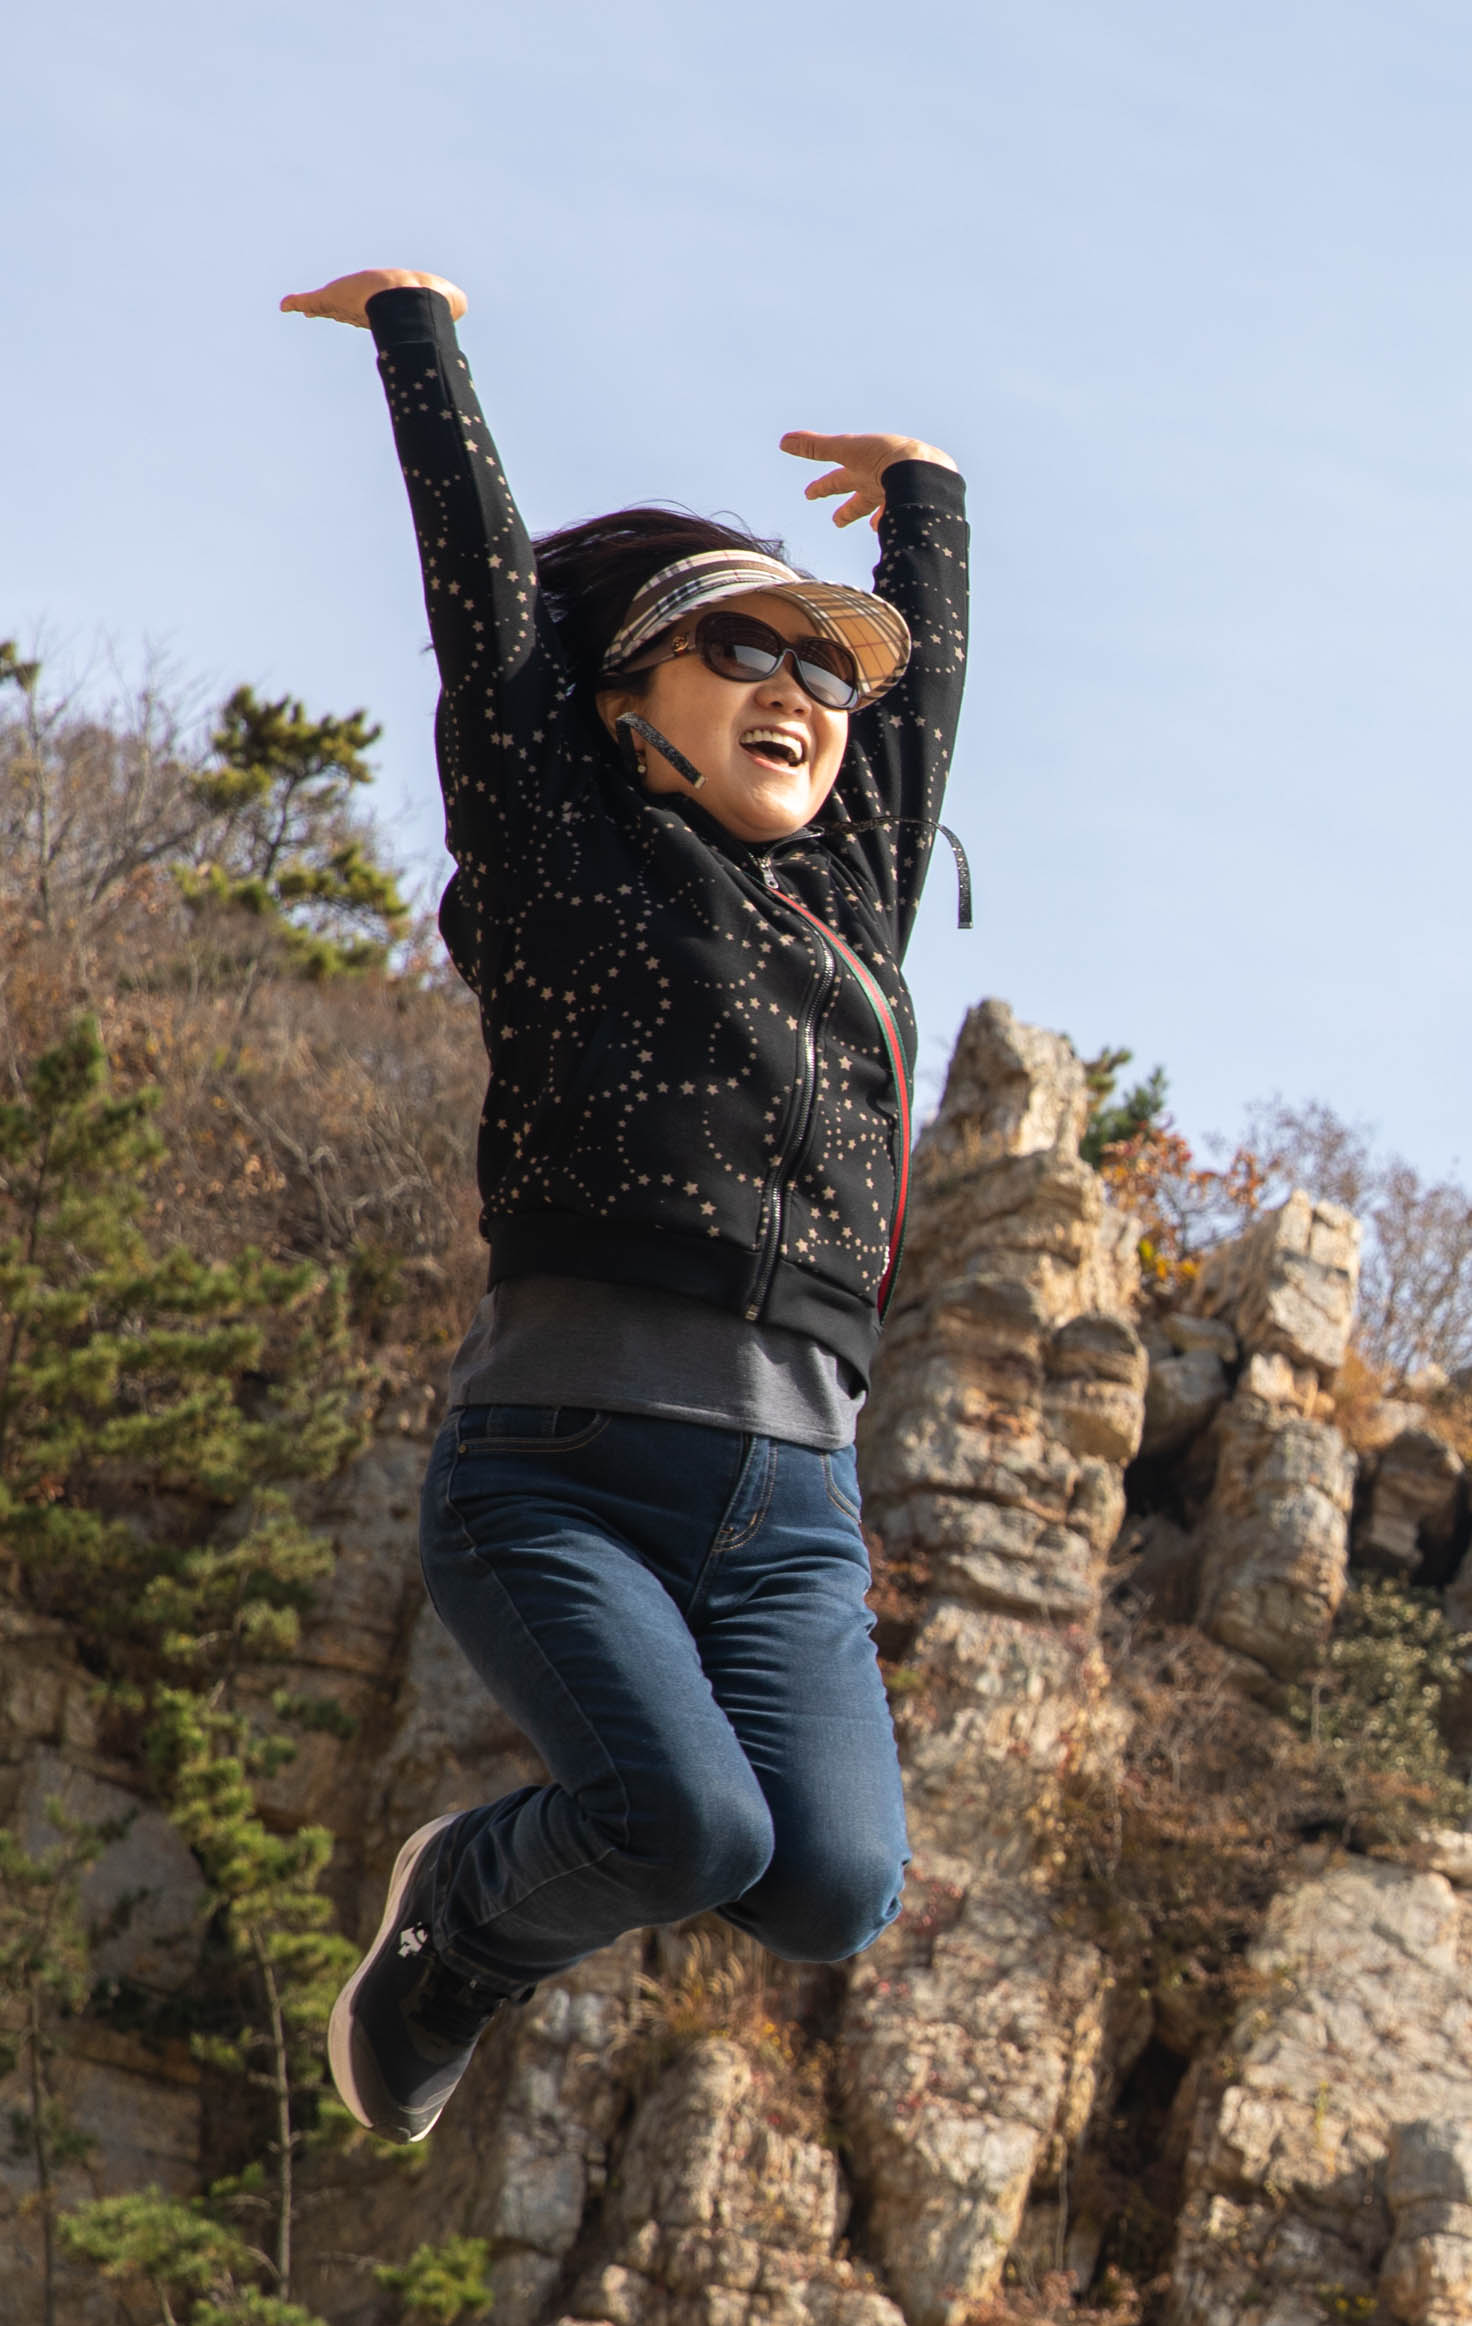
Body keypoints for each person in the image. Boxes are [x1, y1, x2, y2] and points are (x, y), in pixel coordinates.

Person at [281, 264, 964, 2145]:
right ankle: (460, 1923)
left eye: (825, 671)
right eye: (740, 649)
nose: (798, 691)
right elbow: (486, 616)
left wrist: (927, 509)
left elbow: (916, 723)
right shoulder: (563, 852)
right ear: (623, 703)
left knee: (832, 1884)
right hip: (563, 1467)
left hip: (799, 1509)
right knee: (686, 1828)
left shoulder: (853, 904)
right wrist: (420, 346)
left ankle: (515, 1885)